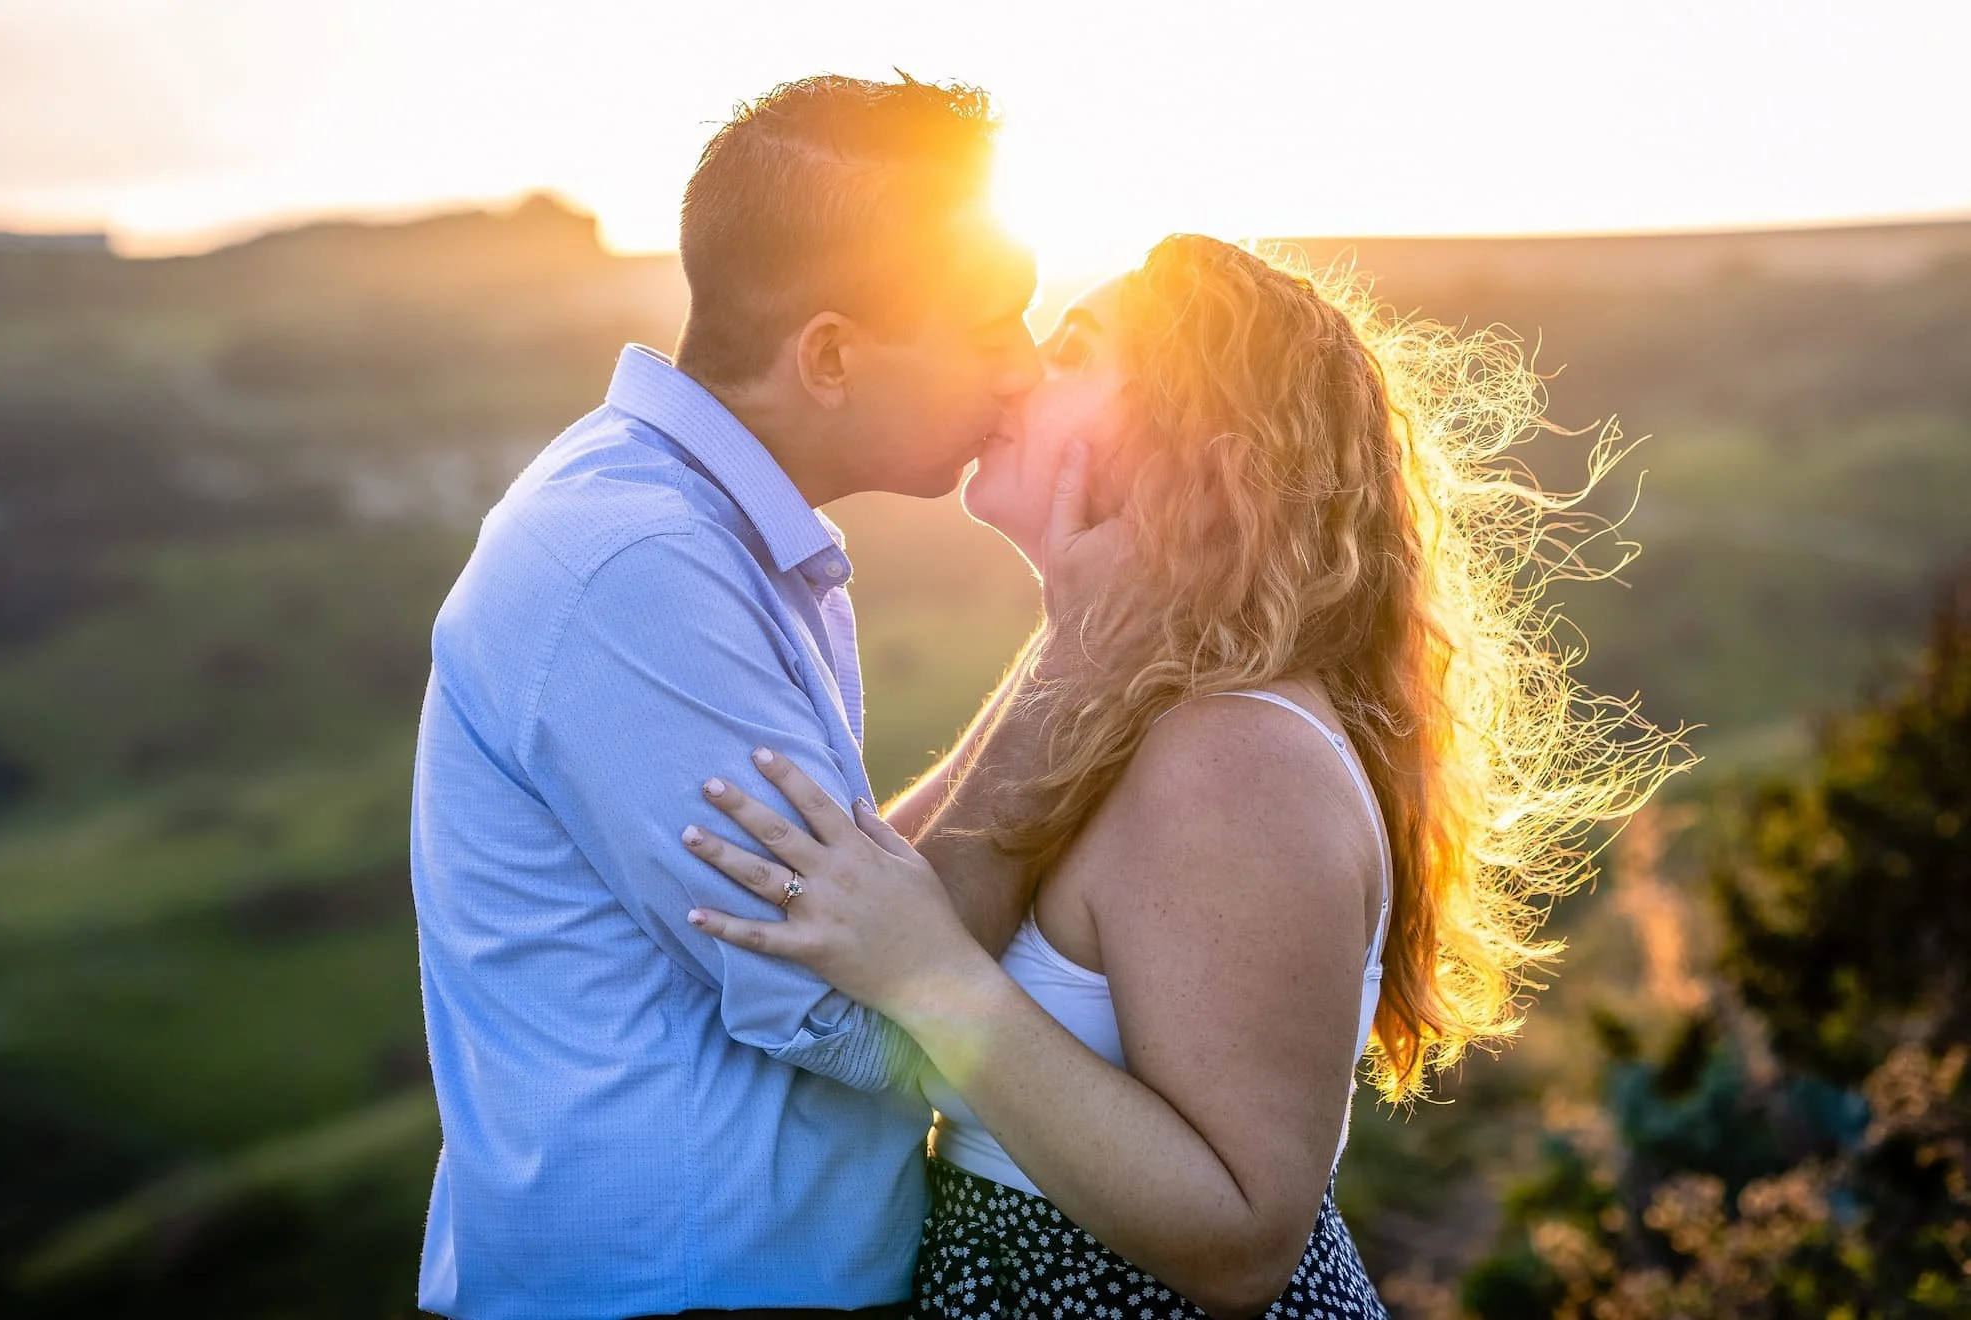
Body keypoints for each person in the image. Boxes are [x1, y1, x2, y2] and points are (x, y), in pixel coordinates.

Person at [682, 235, 1685, 1318]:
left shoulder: (1230, 754)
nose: (1016, 374)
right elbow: (879, 897)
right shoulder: (1123, 703)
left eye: (1074, 352)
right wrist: (1075, 647)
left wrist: (937, 977)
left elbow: (1244, 1239)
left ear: (1191, 439)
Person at [408, 74, 1047, 1318]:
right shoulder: (639, 565)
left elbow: (856, 902)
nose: (1022, 370)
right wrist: (1087, 663)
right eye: (989, 327)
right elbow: (852, 1011)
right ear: (830, 355)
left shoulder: (698, 531)